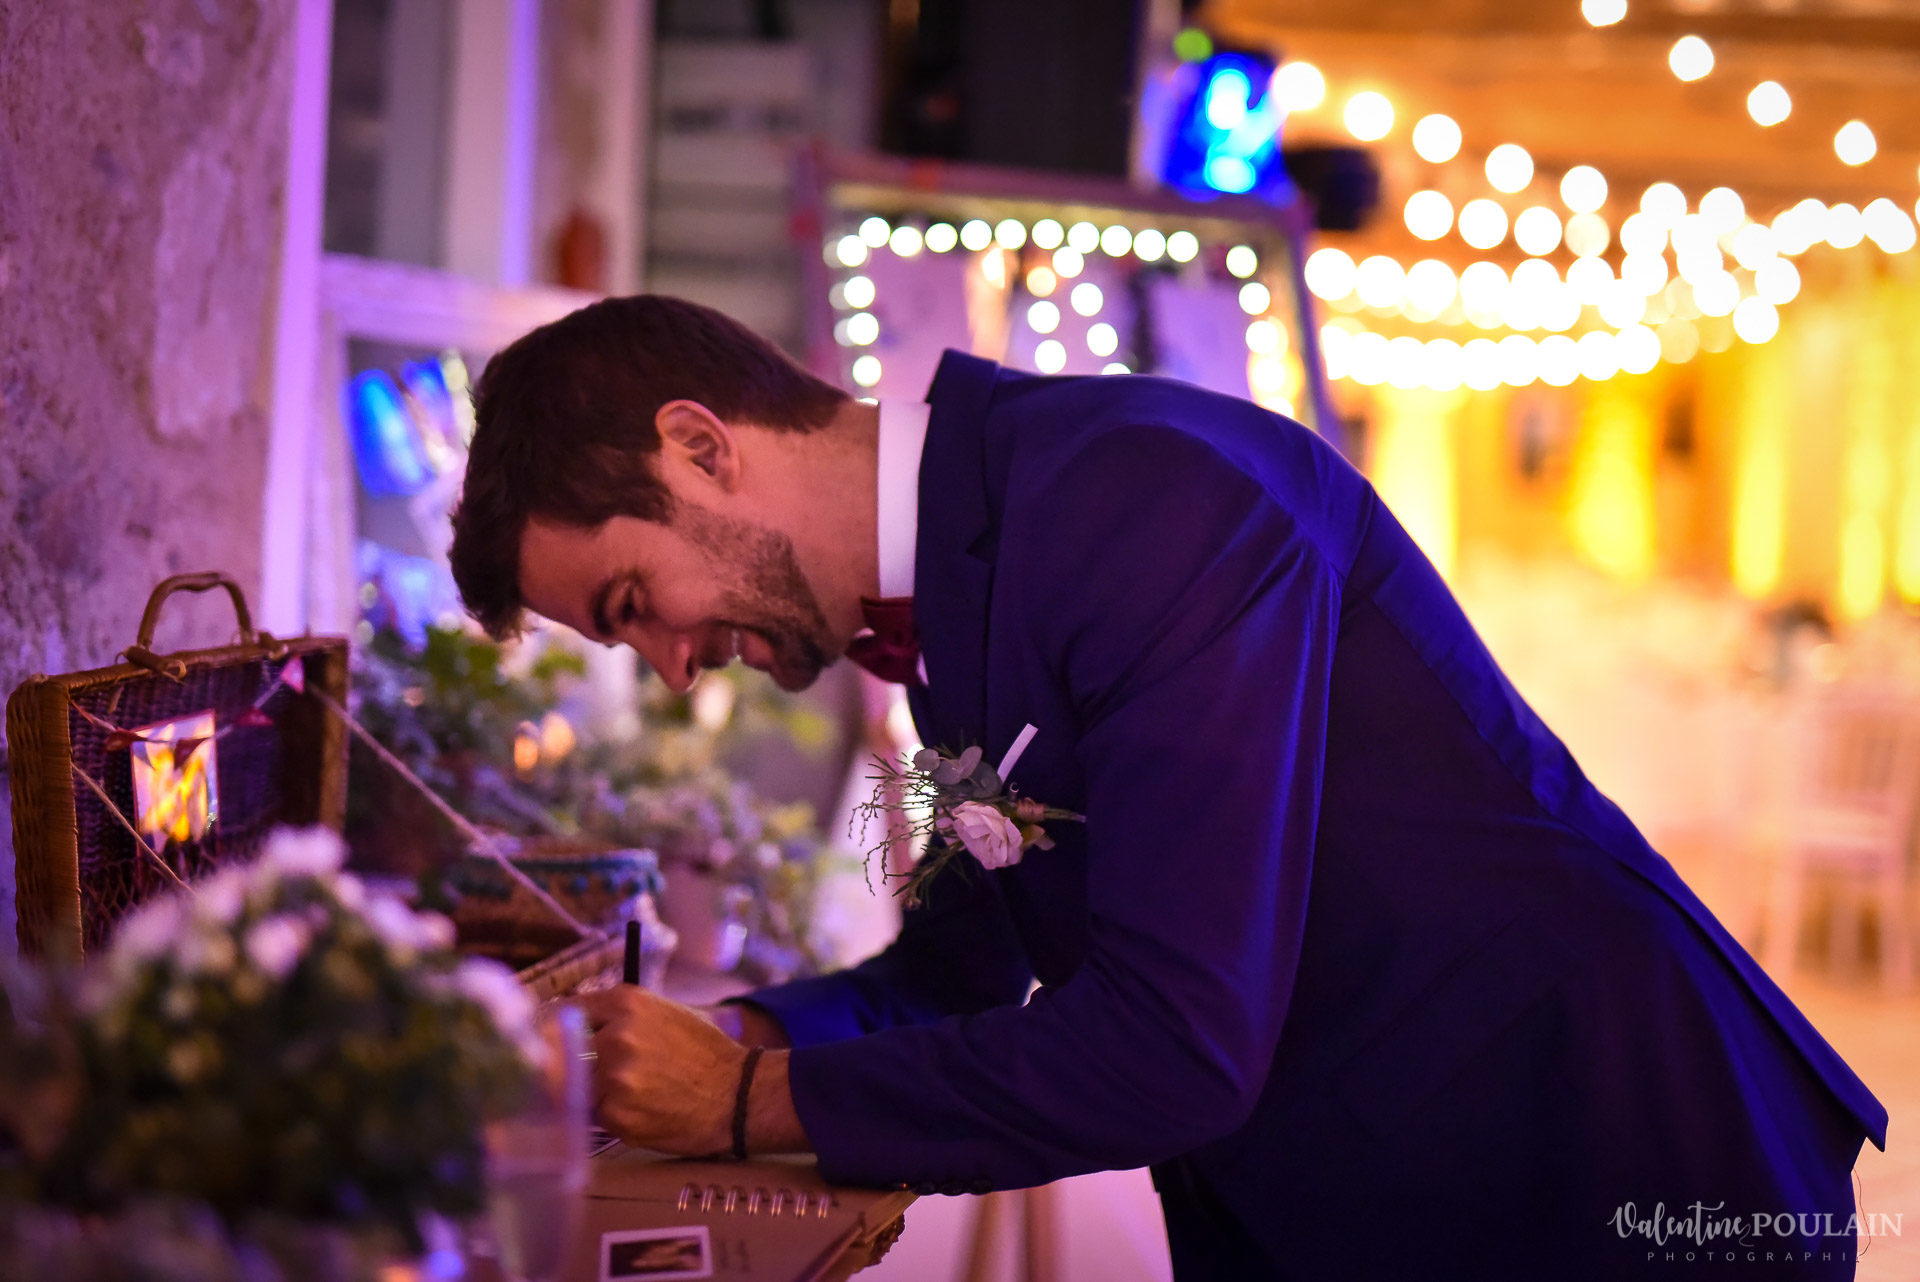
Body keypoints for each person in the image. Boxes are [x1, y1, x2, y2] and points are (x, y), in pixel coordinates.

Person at [448, 294, 1886, 1280]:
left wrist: (753, 1101)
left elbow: (1177, 1043)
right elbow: (952, 973)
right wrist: (732, 1036)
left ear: (702, 447)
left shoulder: (1148, 499)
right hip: (1361, 1187)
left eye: (633, 602)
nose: (674, 666)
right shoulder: (936, 612)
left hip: (1599, 1160)